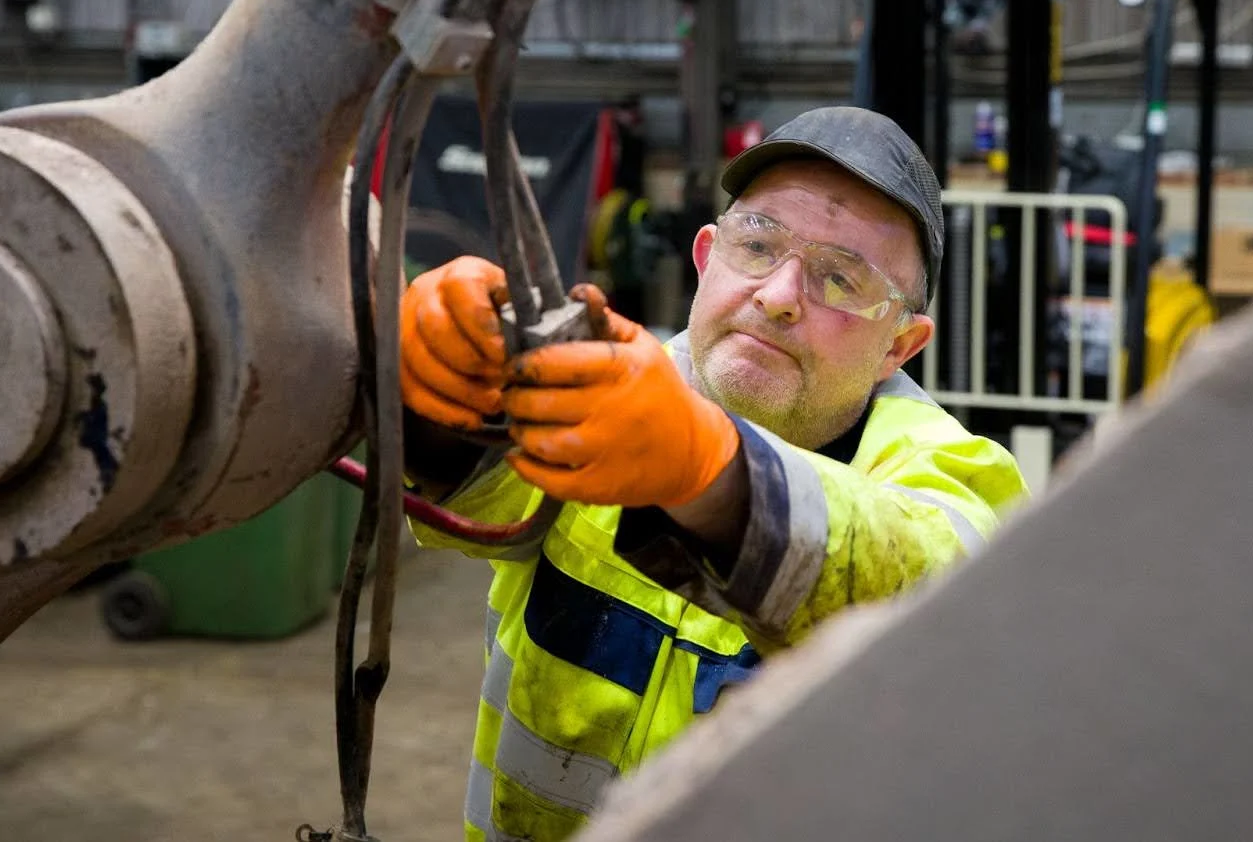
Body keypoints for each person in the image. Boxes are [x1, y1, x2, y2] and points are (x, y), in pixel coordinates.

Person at [398, 105, 1029, 842]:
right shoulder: (607, 388)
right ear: (706, 259)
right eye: (757, 246)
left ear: (900, 345)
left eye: (840, 279)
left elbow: (924, 588)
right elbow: (480, 511)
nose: (779, 295)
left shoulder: (952, 472)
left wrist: (714, 474)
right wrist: (442, 392)